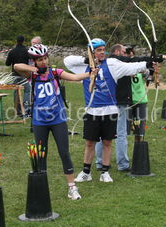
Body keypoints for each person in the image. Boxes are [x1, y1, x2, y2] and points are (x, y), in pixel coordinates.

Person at [64, 38, 155, 183]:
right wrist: (88, 60)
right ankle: (86, 172)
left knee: (107, 142)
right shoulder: (83, 67)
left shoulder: (112, 64)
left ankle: (105, 172)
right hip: (92, 110)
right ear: (91, 52)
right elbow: (67, 61)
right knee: (89, 143)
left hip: (110, 111)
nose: (102, 53)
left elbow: (131, 67)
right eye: (98, 51)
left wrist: (148, 63)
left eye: (103, 50)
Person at [14, 44, 98, 200]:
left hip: (58, 120)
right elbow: (16, 66)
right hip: (39, 121)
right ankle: (42, 187)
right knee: (41, 155)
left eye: (45, 58)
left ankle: (72, 188)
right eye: (40, 60)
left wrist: (90, 74)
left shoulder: (55, 73)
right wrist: (33, 69)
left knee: (64, 153)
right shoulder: (31, 75)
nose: (44, 61)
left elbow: (74, 77)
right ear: (34, 61)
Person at [94, 44, 166, 171]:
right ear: (117, 52)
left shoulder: (104, 63)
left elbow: (139, 67)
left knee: (103, 133)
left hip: (104, 102)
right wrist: (163, 57)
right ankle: (122, 165)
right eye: (124, 51)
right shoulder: (118, 61)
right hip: (119, 102)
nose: (126, 54)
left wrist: (150, 69)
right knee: (120, 133)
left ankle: (100, 163)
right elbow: (136, 60)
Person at [5, 35, 31, 117]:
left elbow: (7, 63)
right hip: (24, 74)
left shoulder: (12, 51)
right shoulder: (27, 51)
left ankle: (17, 110)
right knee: (27, 90)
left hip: (15, 74)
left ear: (16, 41)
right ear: (24, 41)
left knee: (16, 91)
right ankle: (25, 109)